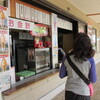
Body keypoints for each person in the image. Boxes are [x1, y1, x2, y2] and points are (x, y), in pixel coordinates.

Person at [60, 33, 97, 100]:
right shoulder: (90, 60)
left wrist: (71, 71)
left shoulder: (66, 57)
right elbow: (93, 79)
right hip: (84, 93)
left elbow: (61, 75)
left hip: (69, 92)